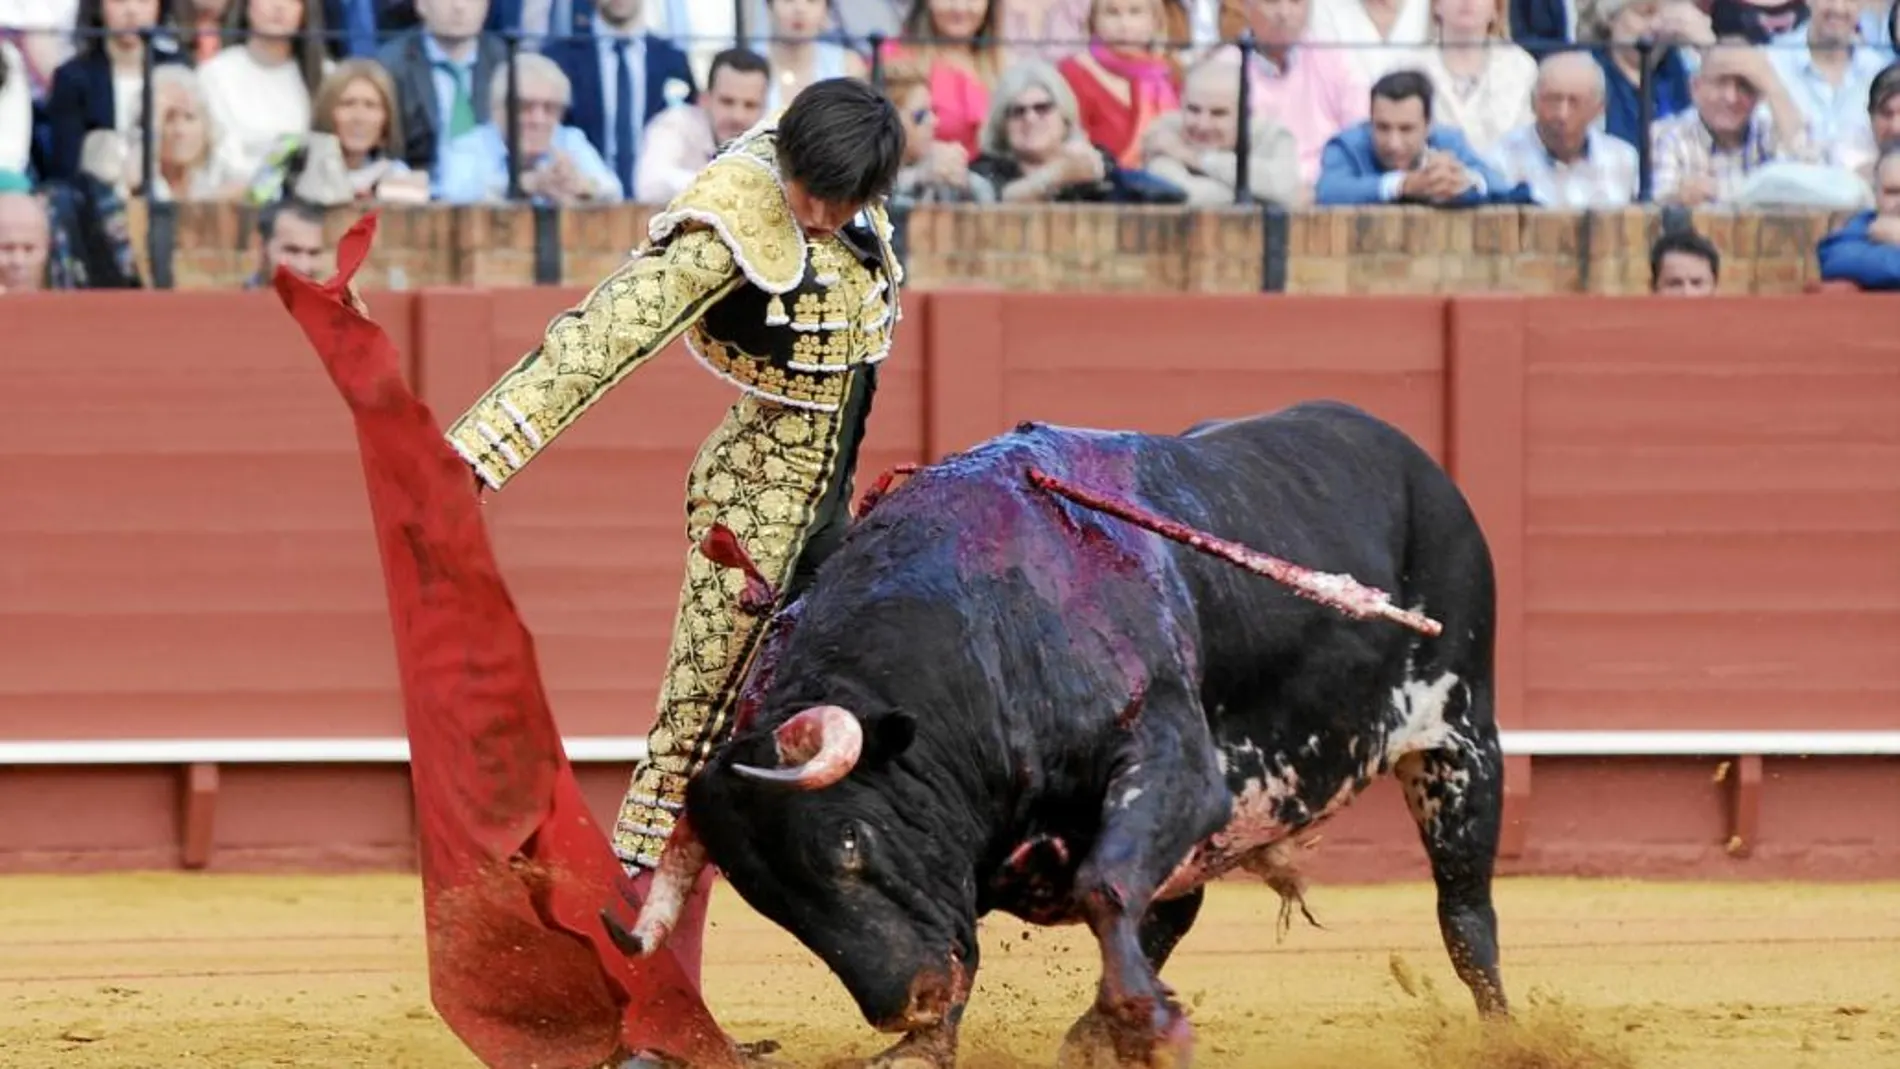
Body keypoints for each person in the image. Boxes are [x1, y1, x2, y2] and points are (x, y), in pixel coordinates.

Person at [439, 74, 907, 1065]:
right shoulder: (728, 222)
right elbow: (603, 335)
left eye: (838, 200)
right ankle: (628, 1011)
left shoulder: (849, 183)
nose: (814, 215)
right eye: (806, 190)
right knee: (688, 750)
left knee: (812, 742)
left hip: (823, 511)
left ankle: (681, 1001)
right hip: (753, 514)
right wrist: (472, 459)